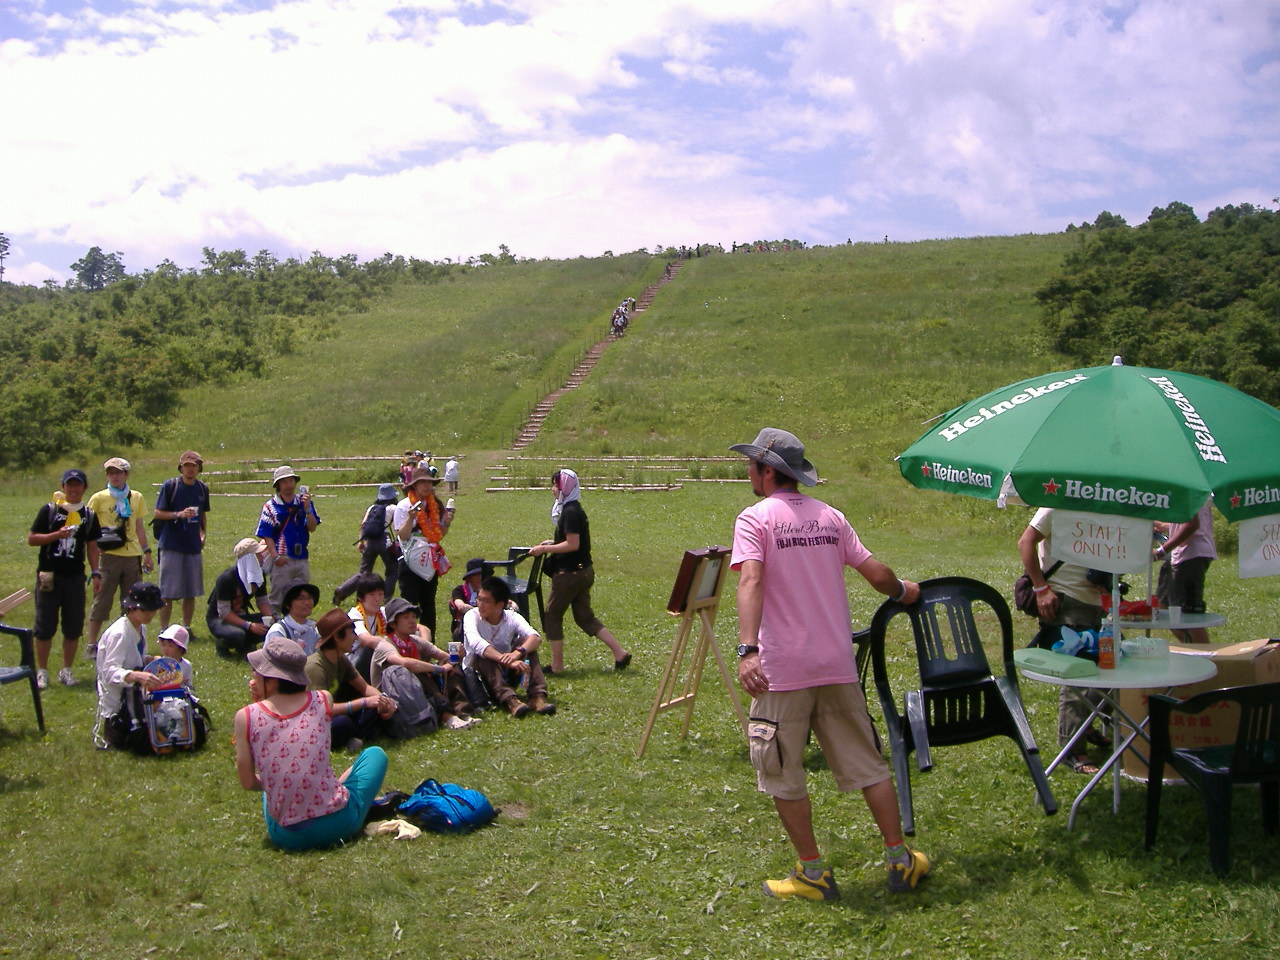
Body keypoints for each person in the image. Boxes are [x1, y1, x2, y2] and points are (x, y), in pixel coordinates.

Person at [730, 427, 929, 899]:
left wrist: (748, 650)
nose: (748, 473)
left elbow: (751, 580)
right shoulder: (831, 517)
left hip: (783, 670)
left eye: (752, 465)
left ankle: (813, 873)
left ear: (767, 471)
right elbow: (875, 573)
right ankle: (900, 860)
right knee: (870, 766)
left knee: (781, 769)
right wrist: (903, 591)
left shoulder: (754, 519)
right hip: (837, 663)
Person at [234, 636, 389, 852]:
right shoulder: (322, 699)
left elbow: (248, 782)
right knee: (375, 754)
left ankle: (322, 791)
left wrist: (280, 781)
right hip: (339, 826)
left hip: (286, 837)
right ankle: (334, 792)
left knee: (270, 783)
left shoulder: (246, 716)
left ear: (273, 680)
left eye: (257, 671)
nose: (253, 674)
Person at [1018, 507, 1108, 775]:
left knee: (1111, 667)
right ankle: (1073, 749)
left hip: (1096, 604)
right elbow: (1025, 542)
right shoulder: (1054, 505)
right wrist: (1041, 589)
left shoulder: (1107, 505)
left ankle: (1085, 724)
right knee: (1076, 675)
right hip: (1065, 601)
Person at [528, 468, 630, 672]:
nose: (552, 489)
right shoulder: (574, 508)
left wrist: (545, 549)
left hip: (570, 574)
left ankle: (557, 666)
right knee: (584, 617)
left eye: (555, 485)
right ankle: (620, 653)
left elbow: (573, 544)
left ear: (564, 487)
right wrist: (553, 542)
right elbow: (572, 541)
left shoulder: (570, 512)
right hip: (584, 572)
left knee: (552, 614)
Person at [27, 468, 102, 689]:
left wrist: (96, 572)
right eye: (69, 484)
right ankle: (42, 671)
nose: (73, 489)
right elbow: (32, 539)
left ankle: (66, 670)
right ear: (63, 487)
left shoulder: (88, 515)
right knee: (45, 625)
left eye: (77, 484)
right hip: (49, 576)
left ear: (84, 488)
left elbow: (92, 546)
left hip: (75, 577)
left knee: (73, 625)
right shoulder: (50, 511)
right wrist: (56, 535)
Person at [369, 597, 475, 729]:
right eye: (406, 617)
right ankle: (447, 716)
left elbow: (442, 656)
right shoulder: (385, 645)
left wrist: (455, 657)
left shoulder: (414, 641)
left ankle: (462, 713)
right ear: (393, 624)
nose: (412, 621)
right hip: (395, 700)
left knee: (450, 663)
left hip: (420, 692)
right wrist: (439, 669)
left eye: (414, 616)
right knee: (413, 671)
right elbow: (404, 663)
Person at [85, 457, 153, 658]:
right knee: (102, 599)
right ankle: (92, 644)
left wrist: (146, 551)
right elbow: (89, 528)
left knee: (132, 601)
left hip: (132, 555)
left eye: (119, 472)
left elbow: (139, 526)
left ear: (126, 474)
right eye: (111, 473)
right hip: (109, 555)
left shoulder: (136, 497)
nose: (115, 476)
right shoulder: (98, 498)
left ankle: (129, 641)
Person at [462, 576, 555, 718]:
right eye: (479, 599)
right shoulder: (471, 616)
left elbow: (535, 637)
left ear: (500, 605)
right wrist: (507, 661)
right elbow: (476, 643)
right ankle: (510, 701)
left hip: (505, 673)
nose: (480, 605)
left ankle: (537, 696)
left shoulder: (511, 617)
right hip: (481, 679)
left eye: (486, 601)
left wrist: (518, 653)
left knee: (525, 643)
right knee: (483, 653)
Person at [305, 608, 397, 751]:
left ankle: (355, 736)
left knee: (374, 709)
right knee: (342, 723)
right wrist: (363, 702)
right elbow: (321, 710)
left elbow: (364, 687)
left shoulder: (341, 659)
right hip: (316, 722)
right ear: (337, 637)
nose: (355, 638)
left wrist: (383, 699)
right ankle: (358, 735)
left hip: (337, 712)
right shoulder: (315, 667)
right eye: (352, 633)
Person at [95, 581, 166, 750]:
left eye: (153, 610)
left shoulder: (140, 627)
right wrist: (136, 676)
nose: (150, 614)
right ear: (131, 608)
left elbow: (135, 658)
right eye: (145, 610)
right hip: (119, 704)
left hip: (136, 694)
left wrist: (150, 659)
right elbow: (109, 672)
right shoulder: (119, 634)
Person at [393, 466, 455, 638]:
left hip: (429, 560)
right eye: (423, 482)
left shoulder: (435, 505)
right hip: (409, 561)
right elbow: (402, 535)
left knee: (429, 605)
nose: (427, 486)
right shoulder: (404, 505)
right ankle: (409, 641)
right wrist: (411, 518)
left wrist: (446, 522)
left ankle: (429, 643)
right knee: (409, 604)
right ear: (414, 485)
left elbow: (438, 535)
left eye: (430, 482)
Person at [153, 450, 211, 634]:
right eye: (187, 466)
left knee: (190, 591)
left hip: (192, 546)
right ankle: (164, 630)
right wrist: (178, 514)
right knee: (167, 591)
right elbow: (157, 512)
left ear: (199, 468)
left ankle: (186, 629)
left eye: (194, 466)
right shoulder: (170, 486)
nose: (190, 469)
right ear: (181, 468)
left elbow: (202, 514)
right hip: (171, 544)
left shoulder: (202, 489)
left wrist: (203, 534)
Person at [255, 465, 320, 610]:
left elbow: (312, 527)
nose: (289, 485)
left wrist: (308, 510)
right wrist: (275, 556)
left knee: (301, 597)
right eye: (284, 482)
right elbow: (266, 534)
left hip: (302, 557)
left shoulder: (304, 503)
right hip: (282, 557)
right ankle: (275, 621)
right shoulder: (270, 506)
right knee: (277, 598)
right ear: (278, 485)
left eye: (291, 481)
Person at [1154, 500, 1217, 644]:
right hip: (1179, 555)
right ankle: (1190, 648)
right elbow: (1187, 521)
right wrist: (1165, 526)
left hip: (1191, 555)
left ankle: (1203, 653)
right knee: (1163, 607)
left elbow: (1192, 524)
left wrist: (1161, 551)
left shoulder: (1189, 490)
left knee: (1189, 617)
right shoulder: (1183, 490)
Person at [333, 484, 401, 605]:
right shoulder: (393, 508)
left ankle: (343, 590)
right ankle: (385, 598)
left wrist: (361, 541)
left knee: (363, 573)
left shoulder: (372, 508)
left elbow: (363, 525)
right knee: (392, 571)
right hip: (385, 541)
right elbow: (396, 526)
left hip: (370, 541)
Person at [207, 538, 275, 658]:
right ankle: (222, 644)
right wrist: (250, 626)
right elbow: (224, 613)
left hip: (241, 616)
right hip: (219, 619)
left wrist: (270, 618)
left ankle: (245, 645)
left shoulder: (259, 575)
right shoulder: (226, 578)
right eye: (258, 554)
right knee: (237, 635)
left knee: (275, 624)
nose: (263, 558)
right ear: (250, 558)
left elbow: (262, 601)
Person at [265, 581, 321, 655]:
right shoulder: (279, 631)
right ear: (288, 605)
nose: (307, 602)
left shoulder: (315, 629)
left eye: (309, 598)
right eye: (301, 599)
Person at [449, 557, 486, 643]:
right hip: (466, 626)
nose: (481, 577)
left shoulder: (491, 591)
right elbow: (460, 605)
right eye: (477, 575)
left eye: (483, 574)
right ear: (469, 578)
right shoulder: (459, 590)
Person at [155, 624, 196, 694]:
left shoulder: (186, 665)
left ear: (180, 649)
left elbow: (189, 685)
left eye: (170, 646)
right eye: (163, 645)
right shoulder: (158, 663)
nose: (166, 649)